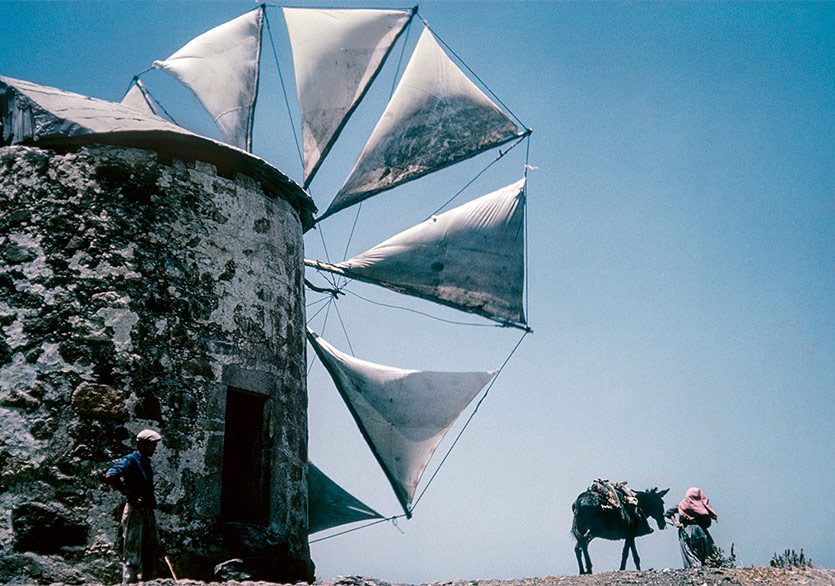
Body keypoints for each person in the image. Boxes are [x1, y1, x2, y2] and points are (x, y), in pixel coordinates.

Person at [105, 429, 162, 584]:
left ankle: (150, 582)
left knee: (152, 550)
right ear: (143, 445)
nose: (154, 449)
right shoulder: (130, 459)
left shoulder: (145, 461)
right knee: (133, 553)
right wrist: (130, 494)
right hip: (135, 511)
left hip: (148, 510)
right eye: (152, 445)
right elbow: (111, 475)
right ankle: (128, 582)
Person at [665, 487, 719, 568]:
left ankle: (695, 570)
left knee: (690, 553)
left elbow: (669, 512)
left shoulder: (683, 505)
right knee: (707, 551)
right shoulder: (703, 505)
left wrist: (675, 522)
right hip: (701, 531)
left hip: (687, 530)